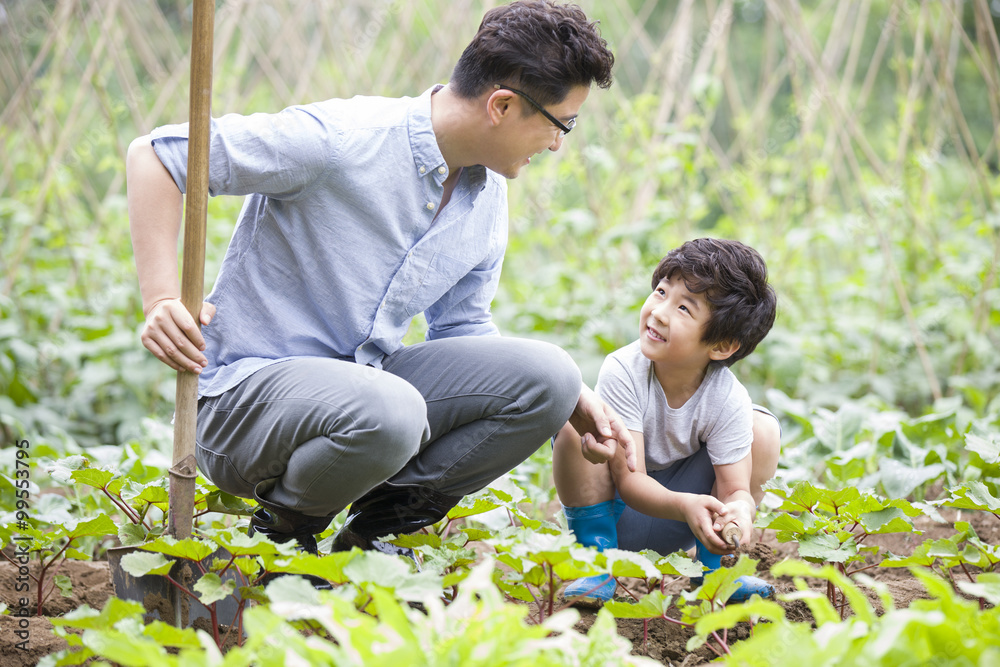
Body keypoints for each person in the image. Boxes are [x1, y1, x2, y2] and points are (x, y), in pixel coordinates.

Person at [126, 0, 635, 564]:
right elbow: (156, 156)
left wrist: (570, 397)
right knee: (391, 411)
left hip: (363, 397)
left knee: (551, 376)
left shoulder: (486, 197)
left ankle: (375, 536)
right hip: (242, 402)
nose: (559, 143)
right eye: (560, 123)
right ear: (503, 105)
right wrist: (161, 297)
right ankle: (283, 533)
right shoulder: (341, 140)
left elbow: (462, 327)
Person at [553, 237, 780, 604]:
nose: (658, 312)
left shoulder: (727, 397)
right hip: (618, 512)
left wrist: (740, 509)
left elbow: (735, 489)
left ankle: (716, 571)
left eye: (684, 309)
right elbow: (631, 481)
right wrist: (686, 505)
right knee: (573, 421)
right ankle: (594, 564)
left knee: (763, 430)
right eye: (661, 292)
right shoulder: (624, 370)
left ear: (721, 346)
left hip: (689, 523)